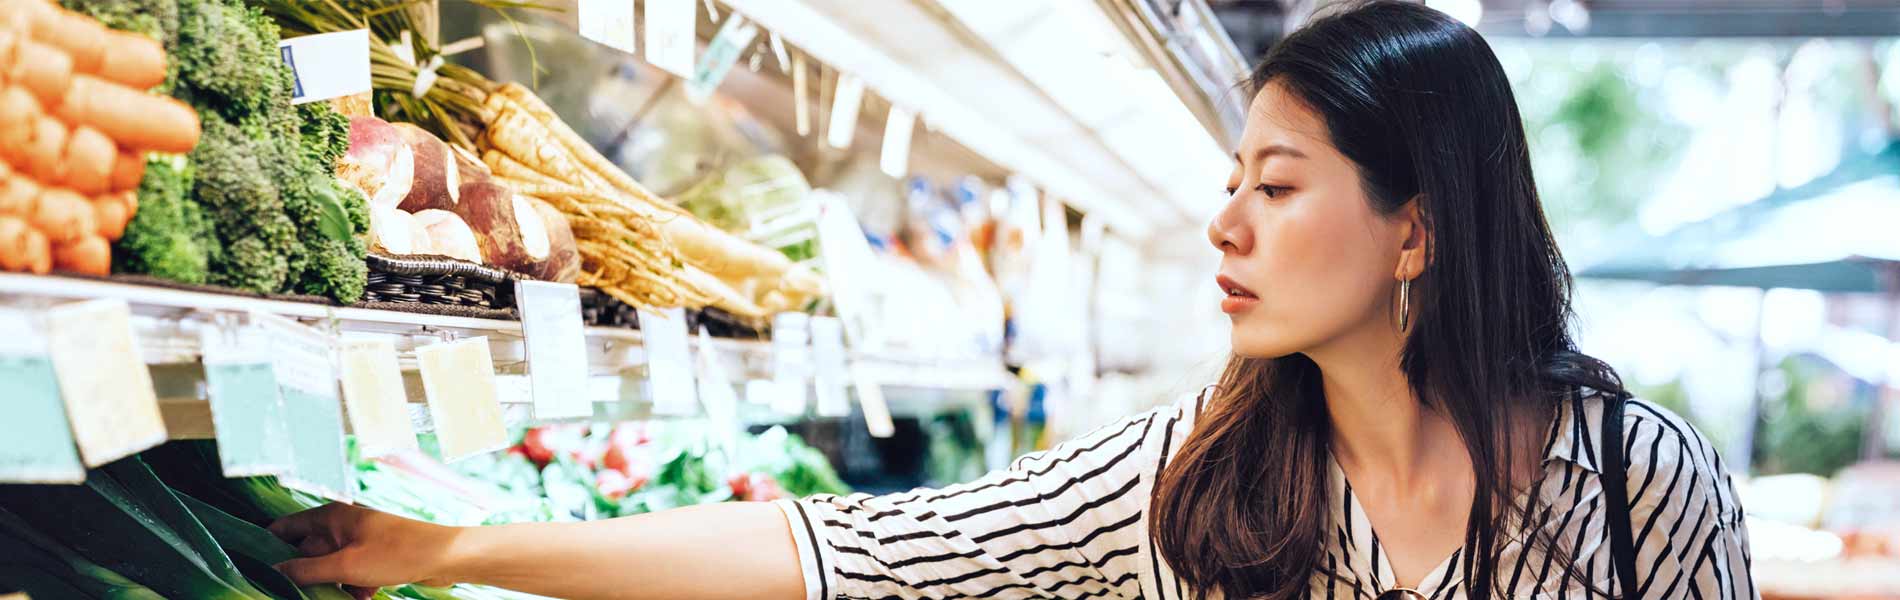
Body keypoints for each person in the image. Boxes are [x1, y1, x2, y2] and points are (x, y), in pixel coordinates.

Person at [267, 2, 1756, 599]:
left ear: (1416, 226)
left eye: (1280, 185)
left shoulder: (1640, 492)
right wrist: (452, 544)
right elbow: (847, 550)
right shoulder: (1197, 485)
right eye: (1233, 175)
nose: (1223, 220)